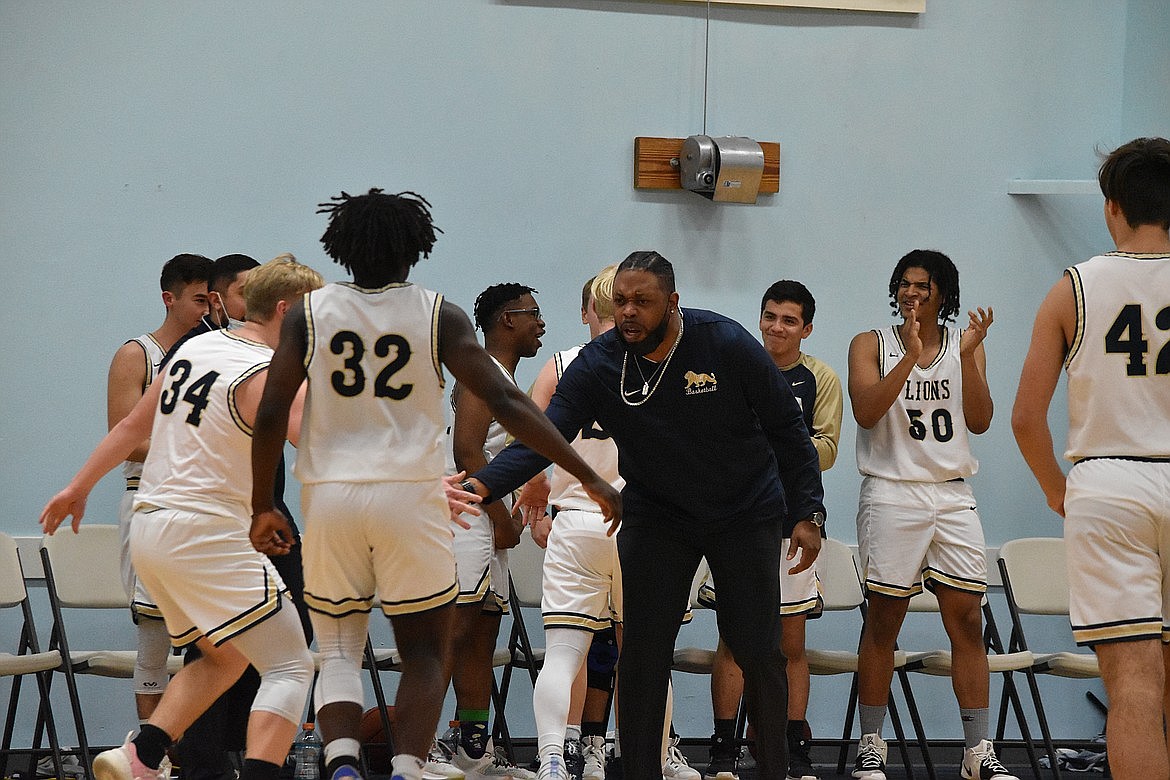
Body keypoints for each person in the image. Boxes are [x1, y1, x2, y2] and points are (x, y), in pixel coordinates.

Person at [249, 189, 621, 780]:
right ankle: (405, 769)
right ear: (414, 248)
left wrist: (262, 502)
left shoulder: (308, 315)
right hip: (412, 495)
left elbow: (270, 413)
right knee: (426, 650)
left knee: (340, 649)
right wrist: (590, 475)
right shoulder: (437, 314)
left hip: (332, 495)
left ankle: (343, 763)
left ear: (340, 248)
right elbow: (507, 401)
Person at [463, 250, 826, 780]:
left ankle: (772, 769)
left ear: (672, 303)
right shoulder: (600, 363)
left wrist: (808, 513)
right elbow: (545, 434)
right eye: (621, 301)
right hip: (658, 516)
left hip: (744, 512)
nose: (628, 311)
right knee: (643, 655)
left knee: (757, 649)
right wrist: (481, 484)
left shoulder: (721, 341)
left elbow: (788, 432)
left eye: (642, 301)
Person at [41, 255, 327, 780]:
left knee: (223, 658)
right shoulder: (270, 371)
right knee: (290, 664)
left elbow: (130, 427)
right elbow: (324, 450)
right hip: (208, 534)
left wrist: (76, 488)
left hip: (152, 530)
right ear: (287, 310)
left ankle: (141, 756)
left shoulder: (194, 348)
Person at [1012, 137, 1170, 780]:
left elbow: (1026, 418)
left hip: (1109, 486)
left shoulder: (1072, 287)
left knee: (1133, 687)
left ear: (1112, 209)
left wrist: (1058, 489)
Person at [847, 249, 1010, 780]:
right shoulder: (871, 343)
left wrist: (966, 357)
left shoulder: (966, 345)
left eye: (923, 286)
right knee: (884, 622)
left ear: (945, 294)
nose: (911, 294)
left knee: (967, 619)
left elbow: (982, 421)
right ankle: (871, 742)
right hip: (893, 491)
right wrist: (909, 359)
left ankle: (976, 751)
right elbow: (868, 411)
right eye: (904, 285)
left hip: (953, 493)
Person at [164, 254, 315, 780]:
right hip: (217, 521)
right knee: (257, 654)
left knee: (251, 649)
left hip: (254, 515)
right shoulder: (219, 355)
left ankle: (147, 752)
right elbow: (317, 440)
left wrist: (79, 485)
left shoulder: (222, 352)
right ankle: (213, 763)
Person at [698, 280, 842, 780]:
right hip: (735, 520)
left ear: (806, 328)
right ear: (759, 319)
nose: (776, 327)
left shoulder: (819, 377)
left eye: (788, 320)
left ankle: (790, 741)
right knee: (733, 639)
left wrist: (778, 440)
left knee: (789, 643)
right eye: (770, 316)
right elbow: (715, 441)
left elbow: (825, 450)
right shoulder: (732, 367)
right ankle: (722, 746)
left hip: (790, 523)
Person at [445, 282, 545, 780]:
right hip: (466, 520)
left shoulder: (501, 376)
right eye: (533, 314)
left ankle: (473, 750)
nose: (541, 324)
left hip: (486, 519)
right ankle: (417, 751)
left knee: (483, 638)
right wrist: (502, 518)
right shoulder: (481, 373)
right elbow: (467, 453)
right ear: (508, 319)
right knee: (453, 632)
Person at [108, 253, 213, 724]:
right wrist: (197, 448)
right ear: (168, 299)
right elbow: (122, 441)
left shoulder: (214, 354)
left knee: (211, 639)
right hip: (150, 502)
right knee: (154, 637)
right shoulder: (138, 355)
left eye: (211, 299)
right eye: (196, 300)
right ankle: (152, 758)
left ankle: (195, 749)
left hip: (204, 509)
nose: (206, 310)